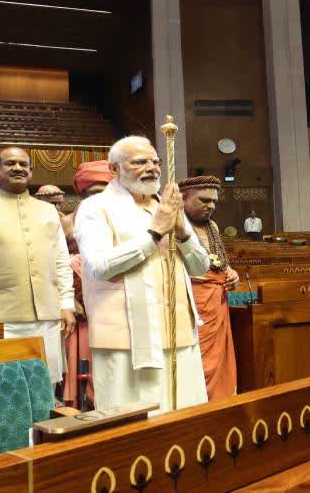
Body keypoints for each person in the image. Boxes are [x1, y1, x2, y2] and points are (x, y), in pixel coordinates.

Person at [73, 135, 210, 414]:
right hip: (125, 339)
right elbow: (99, 266)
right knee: (134, 423)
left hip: (178, 332)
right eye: (139, 162)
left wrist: (183, 233)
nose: (152, 168)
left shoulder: (167, 205)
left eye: (155, 162)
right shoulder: (94, 208)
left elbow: (200, 267)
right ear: (114, 169)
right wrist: (155, 232)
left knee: (184, 415)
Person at [0, 147, 75, 386]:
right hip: (0, 318)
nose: (17, 168)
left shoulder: (48, 211)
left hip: (47, 317)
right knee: (3, 387)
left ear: (30, 171)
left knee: (44, 387)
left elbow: (61, 260)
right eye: (10, 163)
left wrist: (67, 304)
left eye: (23, 164)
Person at [179, 176, 241, 401]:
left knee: (220, 359)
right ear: (183, 198)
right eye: (204, 200)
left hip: (217, 303)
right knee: (198, 360)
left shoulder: (212, 226)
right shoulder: (177, 226)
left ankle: (220, 403)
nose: (211, 206)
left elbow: (220, 261)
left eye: (214, 201)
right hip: (191, 303)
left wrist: (232, 273)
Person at [62, 159, 113, 407]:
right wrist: (70, 300)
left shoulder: (121, 216)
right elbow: (55, 262)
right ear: (82, 194)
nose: (100, 198)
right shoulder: (68, 221)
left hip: (110, 300)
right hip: (79, 304)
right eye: (93, 193)